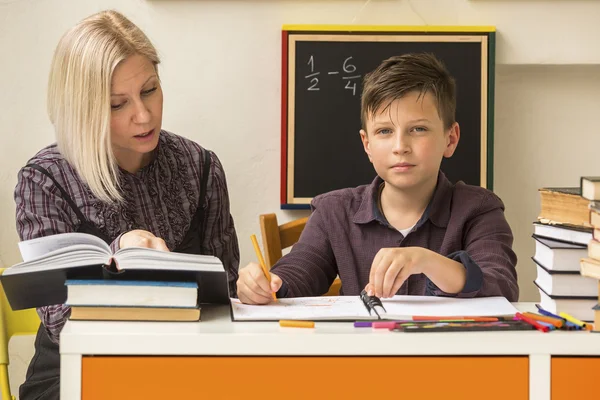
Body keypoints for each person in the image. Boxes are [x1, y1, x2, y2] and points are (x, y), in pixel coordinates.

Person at [14, 10, 240, 399]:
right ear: (83, 109)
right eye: (118, 104)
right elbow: (60, 321)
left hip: (182, 364)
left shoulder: (201, 167)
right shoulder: (44, 180)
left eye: (150, 89)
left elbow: (227, 292)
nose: (143, 114)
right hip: (75, 371)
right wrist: (121, 255)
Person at [237, 53, 518, 304]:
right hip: (362, 357)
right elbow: (299, 272)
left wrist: (426, 261)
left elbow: (501, 285)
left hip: (446, 357)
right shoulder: (334, 211)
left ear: (450, 138)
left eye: (418, 129)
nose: (400, 146)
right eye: (384, 131)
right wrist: (264, 285)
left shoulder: (479, 209)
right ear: (367, 144)